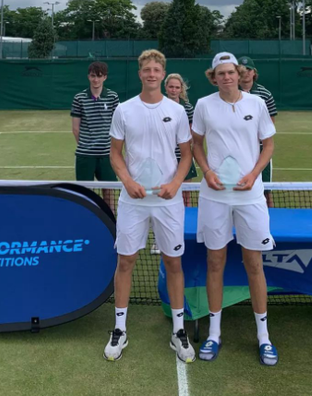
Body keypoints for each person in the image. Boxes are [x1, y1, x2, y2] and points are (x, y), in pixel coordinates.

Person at [103, 49, 196, 363]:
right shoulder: (124, 110)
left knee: (173, 263)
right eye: (147, 70)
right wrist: (127, 181)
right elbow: (115, 153)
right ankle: (119, 328)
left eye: (157, 69)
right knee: (125, 261)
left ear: (163, 72)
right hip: (133, 200)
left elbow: (187, 154)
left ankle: (179, 331)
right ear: (140, 73)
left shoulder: (177, 111)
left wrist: (176, 183)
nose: (152, 74)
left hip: (168, 202)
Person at [192, 52, 278, 366]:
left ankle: (264, 337)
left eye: (230, 72)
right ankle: (214, 334)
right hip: (214, 195)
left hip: (250, 195)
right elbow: (195, 144)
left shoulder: (256, 104)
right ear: (213, 77)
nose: (226, 77)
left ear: (239, 74)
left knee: (253, 263)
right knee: (215, 262)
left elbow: (268, 144)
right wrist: (207, 172)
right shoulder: (203, 105)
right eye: (220, 73)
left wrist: (253, 175)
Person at [71, 61, 119, 211]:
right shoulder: (79, 98)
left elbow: (117, 126)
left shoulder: (112, 97)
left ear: (105, 77)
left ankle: (111, 223)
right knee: (85, 193)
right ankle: (88, 223)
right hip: (85, 156)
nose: (96, 80)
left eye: (99, 76)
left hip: (106, 156)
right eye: (93, 76)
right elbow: (75, 129)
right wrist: (87, 146)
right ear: (88, 77)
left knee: (109, 192)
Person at [238, 56, 277, 207]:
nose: (246, 73)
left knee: (266, 190)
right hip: (238, 149)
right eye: (243, 70)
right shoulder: (230, 94)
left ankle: (269, 218)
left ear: (254, 73)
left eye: (249, 70)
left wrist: (260, 140)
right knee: (237, 188)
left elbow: (270, 123)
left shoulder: (265, 94)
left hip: (260, 150)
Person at [165, 73, 198, 207]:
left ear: (181, 89)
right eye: (171, 87)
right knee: (166, 192)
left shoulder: (188, 108)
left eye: (177, 87)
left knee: (185, 194)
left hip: (184, 157)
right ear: (166, 87)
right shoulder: (160, 106)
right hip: (165, 157)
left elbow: (192, 133)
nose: (173, 90)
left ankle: (185, 221)